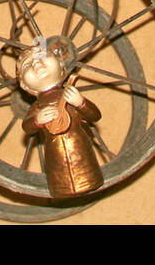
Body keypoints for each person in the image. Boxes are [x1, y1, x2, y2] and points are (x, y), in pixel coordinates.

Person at [20, 39, 103, 198]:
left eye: (42, 57)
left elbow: (95, 116)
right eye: (27, 66)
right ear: (26, 86)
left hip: (80, 149)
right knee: (60, 180)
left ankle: (90, 180)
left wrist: (81, 103)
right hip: (54, 154)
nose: (37, 65)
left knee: (88, 174)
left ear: (61, 66)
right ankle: (61, 189)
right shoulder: (38, 106)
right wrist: (38, 119)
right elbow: (27, 127)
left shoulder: (70, 95)